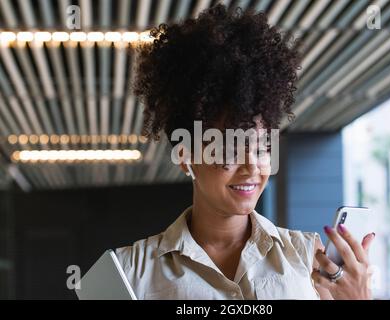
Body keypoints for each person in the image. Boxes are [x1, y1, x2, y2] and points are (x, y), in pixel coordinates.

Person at [115, 4, 375, 300]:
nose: (252, 167)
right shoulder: (131, 272)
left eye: (263, 147)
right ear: (185, 156)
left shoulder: (311, 260)